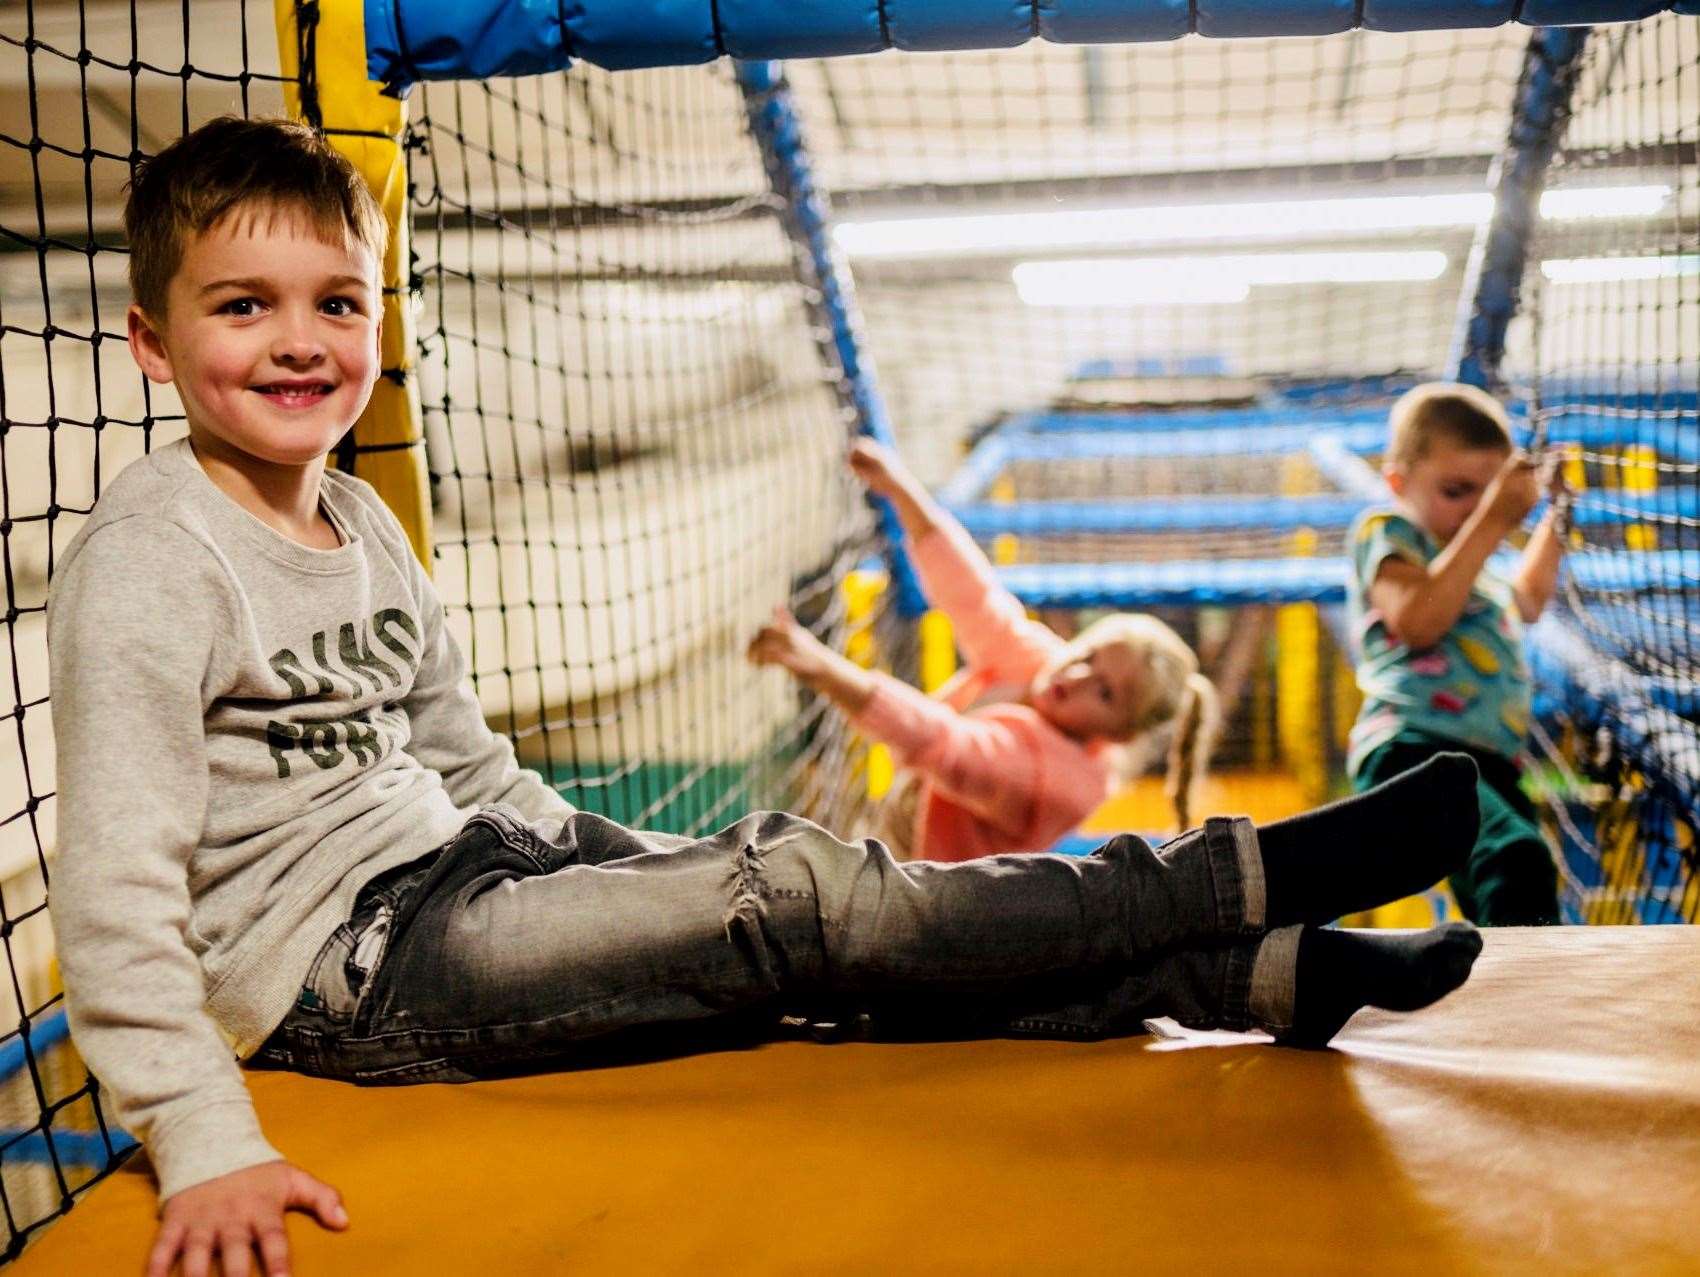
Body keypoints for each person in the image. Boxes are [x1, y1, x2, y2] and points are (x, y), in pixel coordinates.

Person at [49, 116, 1486, 1277]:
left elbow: (463, 759)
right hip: (345, 970)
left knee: (791, 944)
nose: (301, 340)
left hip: (456, 868)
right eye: (245, 307)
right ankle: (1247, 876)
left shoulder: (361, 526)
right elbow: (113, 889)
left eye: (337, 303)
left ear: (375, 320)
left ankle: (1253, 979)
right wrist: (202, 1132)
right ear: (155, 346)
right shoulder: (153, 564)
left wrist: (598, 855)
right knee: (794, 899)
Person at [749, 439, 1217, 860]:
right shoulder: (1042, 663)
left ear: (1117, 736)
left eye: (1105, 694)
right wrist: (902, 489)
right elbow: (975, 599)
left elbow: (949, 747)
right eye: (1088, 655)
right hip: (906, 823)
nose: (1074, 677)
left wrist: (819, 666)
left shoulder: (1059, 783)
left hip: (936, 891)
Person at [1346, 381, 1570, 925]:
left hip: (1488, 764)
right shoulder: (1390, 532)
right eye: (1457, 492)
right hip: (1413, 752)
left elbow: (1529, 599)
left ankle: (1499, 990)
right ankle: (1523, 1002)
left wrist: (1556, 514)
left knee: (1519, 884)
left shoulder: (1475, 569)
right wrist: (1492, 520)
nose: (1476, 510)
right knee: (1516, 859)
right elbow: (1418, 622)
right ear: (1398, 481)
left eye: (1488, 494)